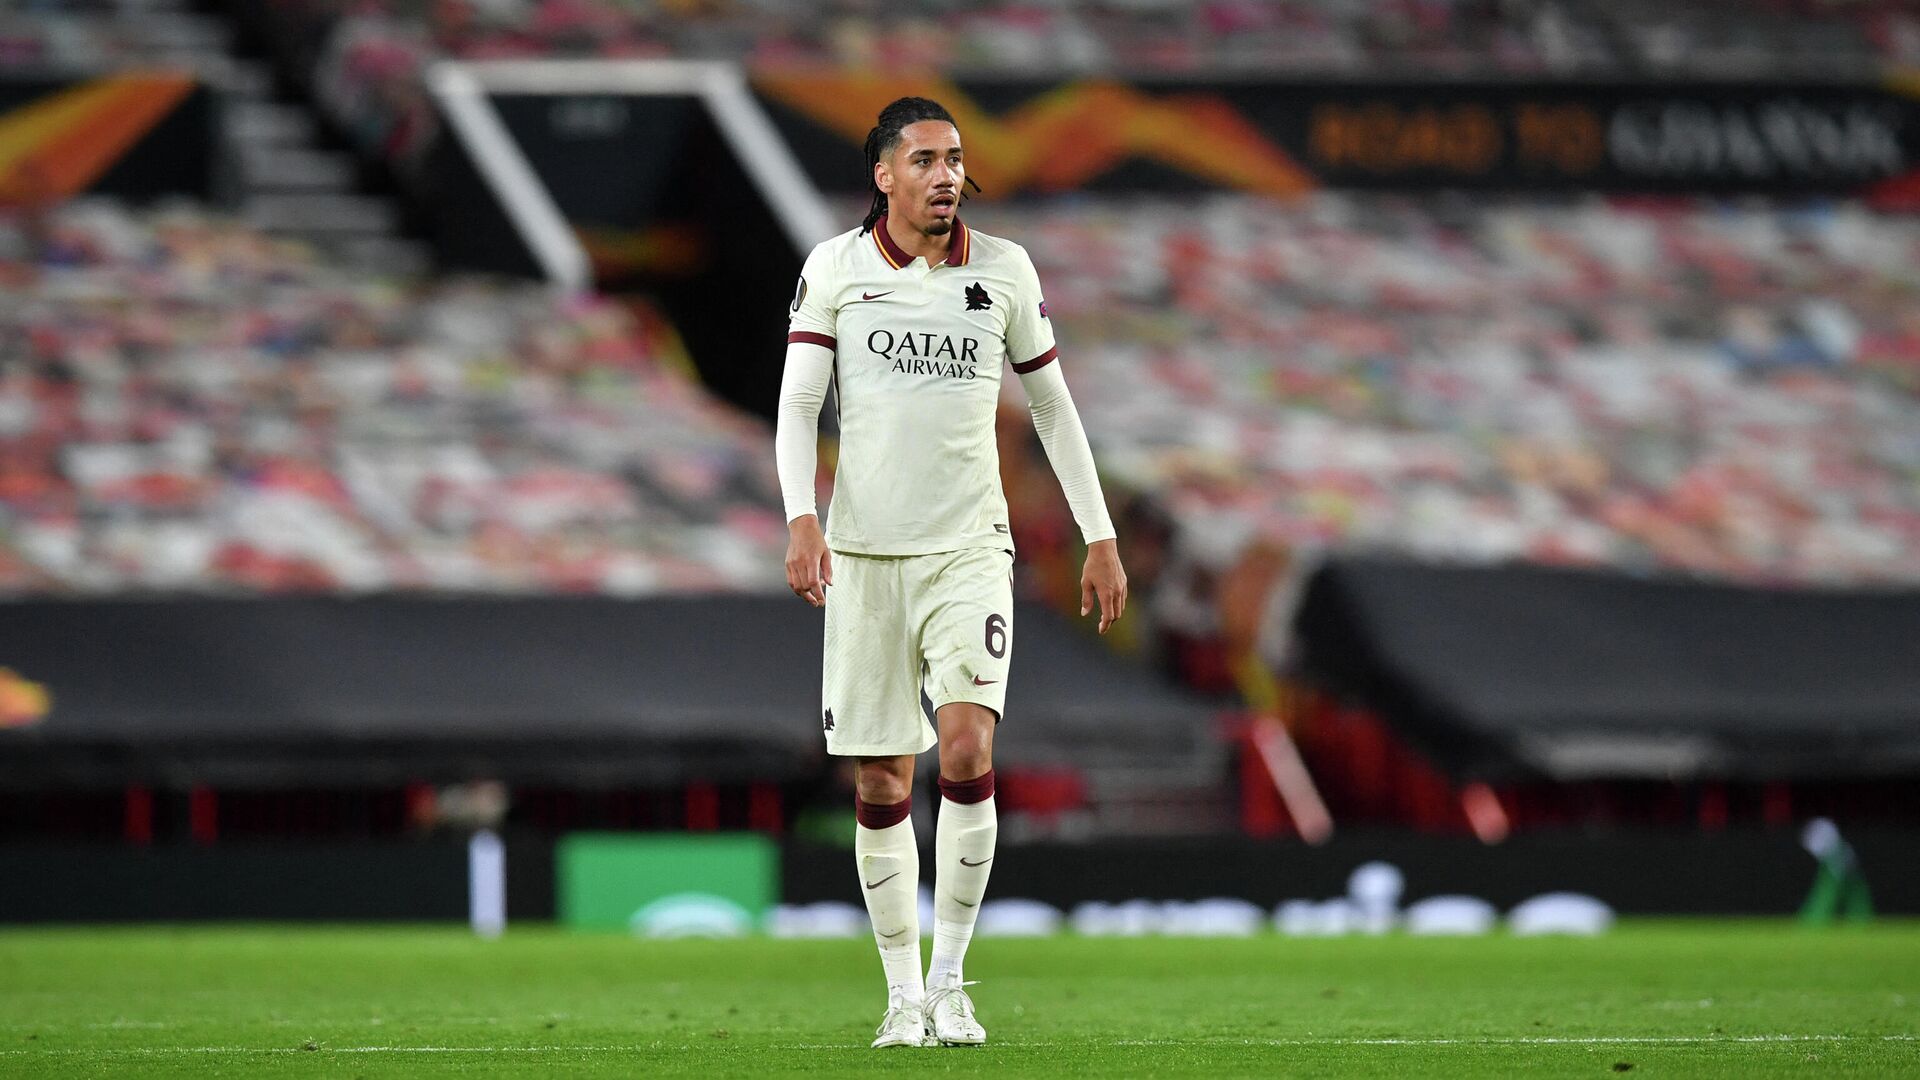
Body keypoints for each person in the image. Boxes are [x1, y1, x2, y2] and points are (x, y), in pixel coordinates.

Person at [774, 96, 1127, 1049]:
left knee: (967, 748)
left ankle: (952, 983)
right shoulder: (837, 270)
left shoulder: (1004, 269)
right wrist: (802, 518)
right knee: (883, 781)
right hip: (863, 557)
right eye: (925, 159)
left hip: (971, 547)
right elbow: (800, 402)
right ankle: (899, 999)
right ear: (883, 175)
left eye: (956, 158)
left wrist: (1098, 533)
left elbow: (1053, 409)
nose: (946, 174)